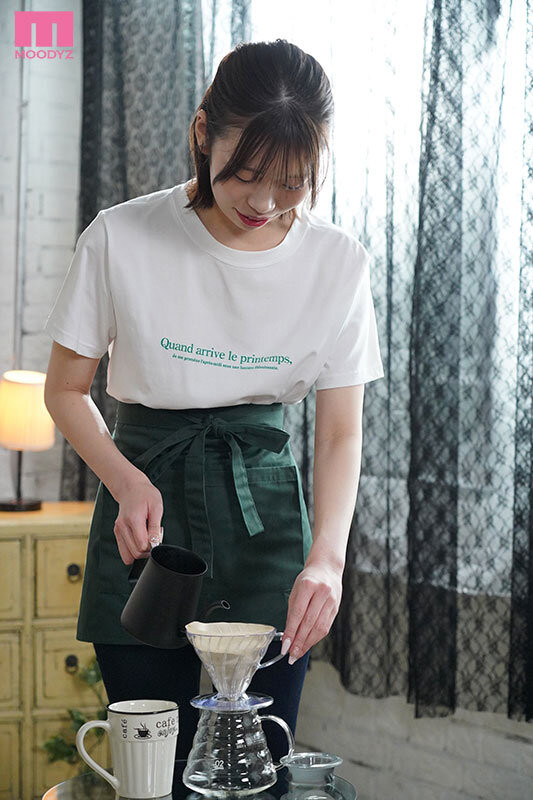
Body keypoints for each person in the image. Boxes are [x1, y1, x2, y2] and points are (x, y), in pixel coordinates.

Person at [43, 39, 384, 798]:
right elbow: (65, 390)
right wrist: (126, 482)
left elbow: (340, 430)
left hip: (266, 517)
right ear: (204, 134)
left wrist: (327, 560)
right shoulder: (122, 236)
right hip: (147, 511)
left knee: (254, 771)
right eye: (247, 174)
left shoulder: (338, 263)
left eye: (292, 183)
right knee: (151, 771)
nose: (265, 204)